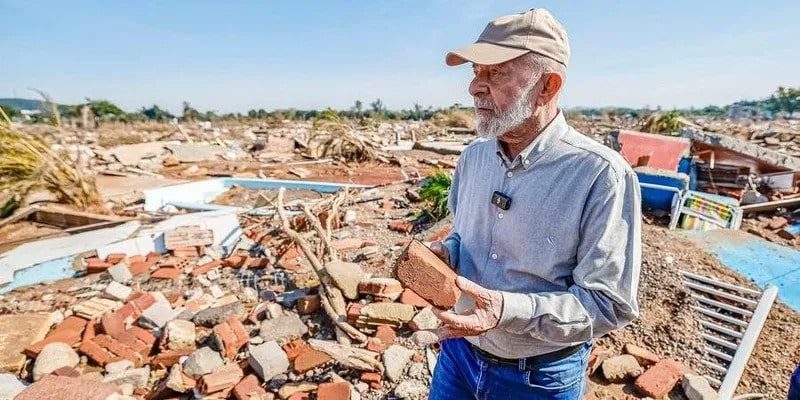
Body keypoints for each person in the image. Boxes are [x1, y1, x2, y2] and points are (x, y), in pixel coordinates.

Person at [419, 8, 642, 400]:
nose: (474, 87)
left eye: (496, 72)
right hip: (459, 354)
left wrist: (505, 310)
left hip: (537, 377)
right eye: (475, 72)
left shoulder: (600, 175)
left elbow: (607, 304)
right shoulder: (474, 157)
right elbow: (464, 236)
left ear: (547, 86)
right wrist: (447, 252)